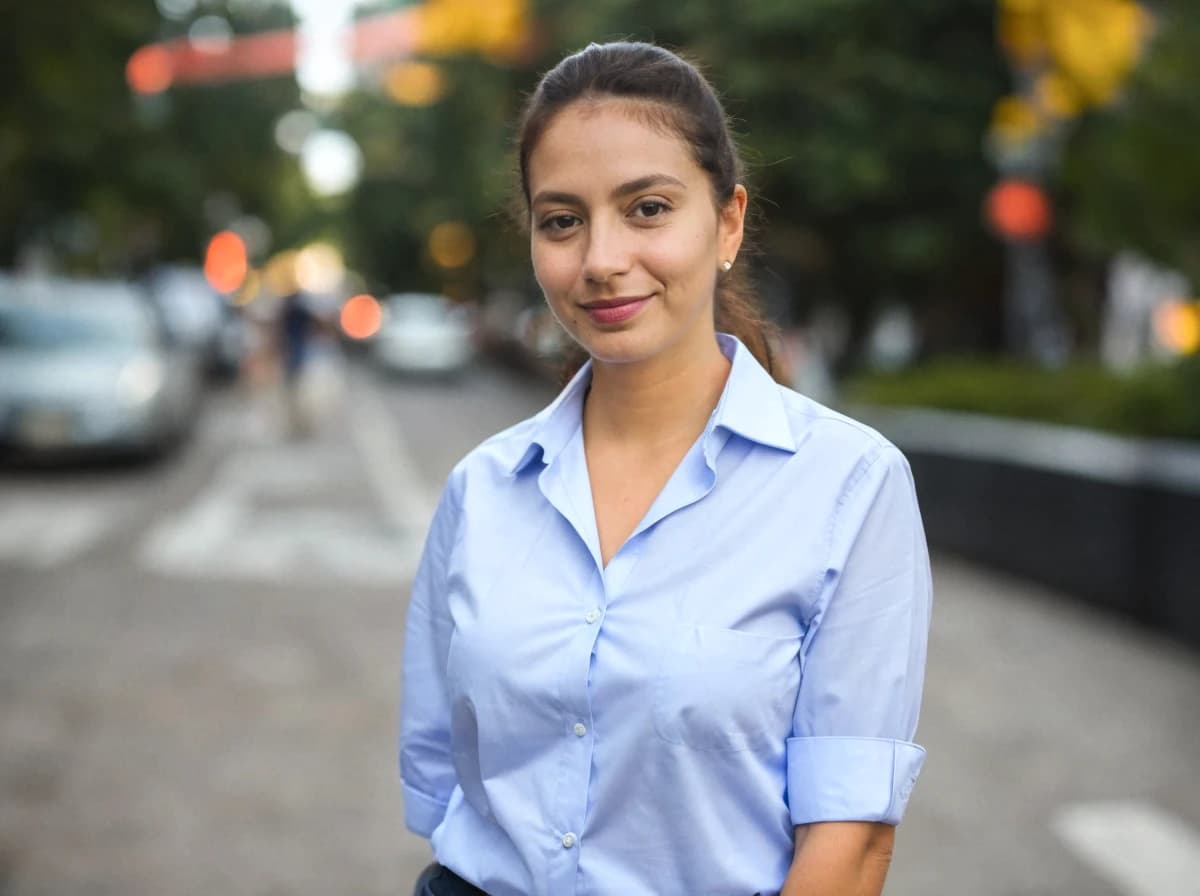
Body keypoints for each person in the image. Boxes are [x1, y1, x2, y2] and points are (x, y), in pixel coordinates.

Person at [401, 41, 932, 896]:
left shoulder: (849, 486)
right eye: (562, 220)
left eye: (647, 208)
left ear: (728, 222)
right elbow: (443, 783)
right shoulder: (483, 490)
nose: (602, 259)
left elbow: (851, 839)